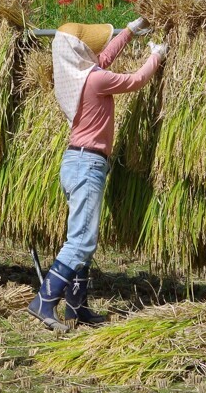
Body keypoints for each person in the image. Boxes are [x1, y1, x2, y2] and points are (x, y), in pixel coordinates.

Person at [28, 17, 166, 332]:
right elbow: (135, 81)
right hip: (87, 164)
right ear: (80, 51)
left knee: (81, 236)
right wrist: (156, 56)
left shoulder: (76, 77)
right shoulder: (95, 80)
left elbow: (105, 59)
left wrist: (130, 30)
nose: (97, 49)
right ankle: (44, 301)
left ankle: (77, 309)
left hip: (75, 162)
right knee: (82, 241)